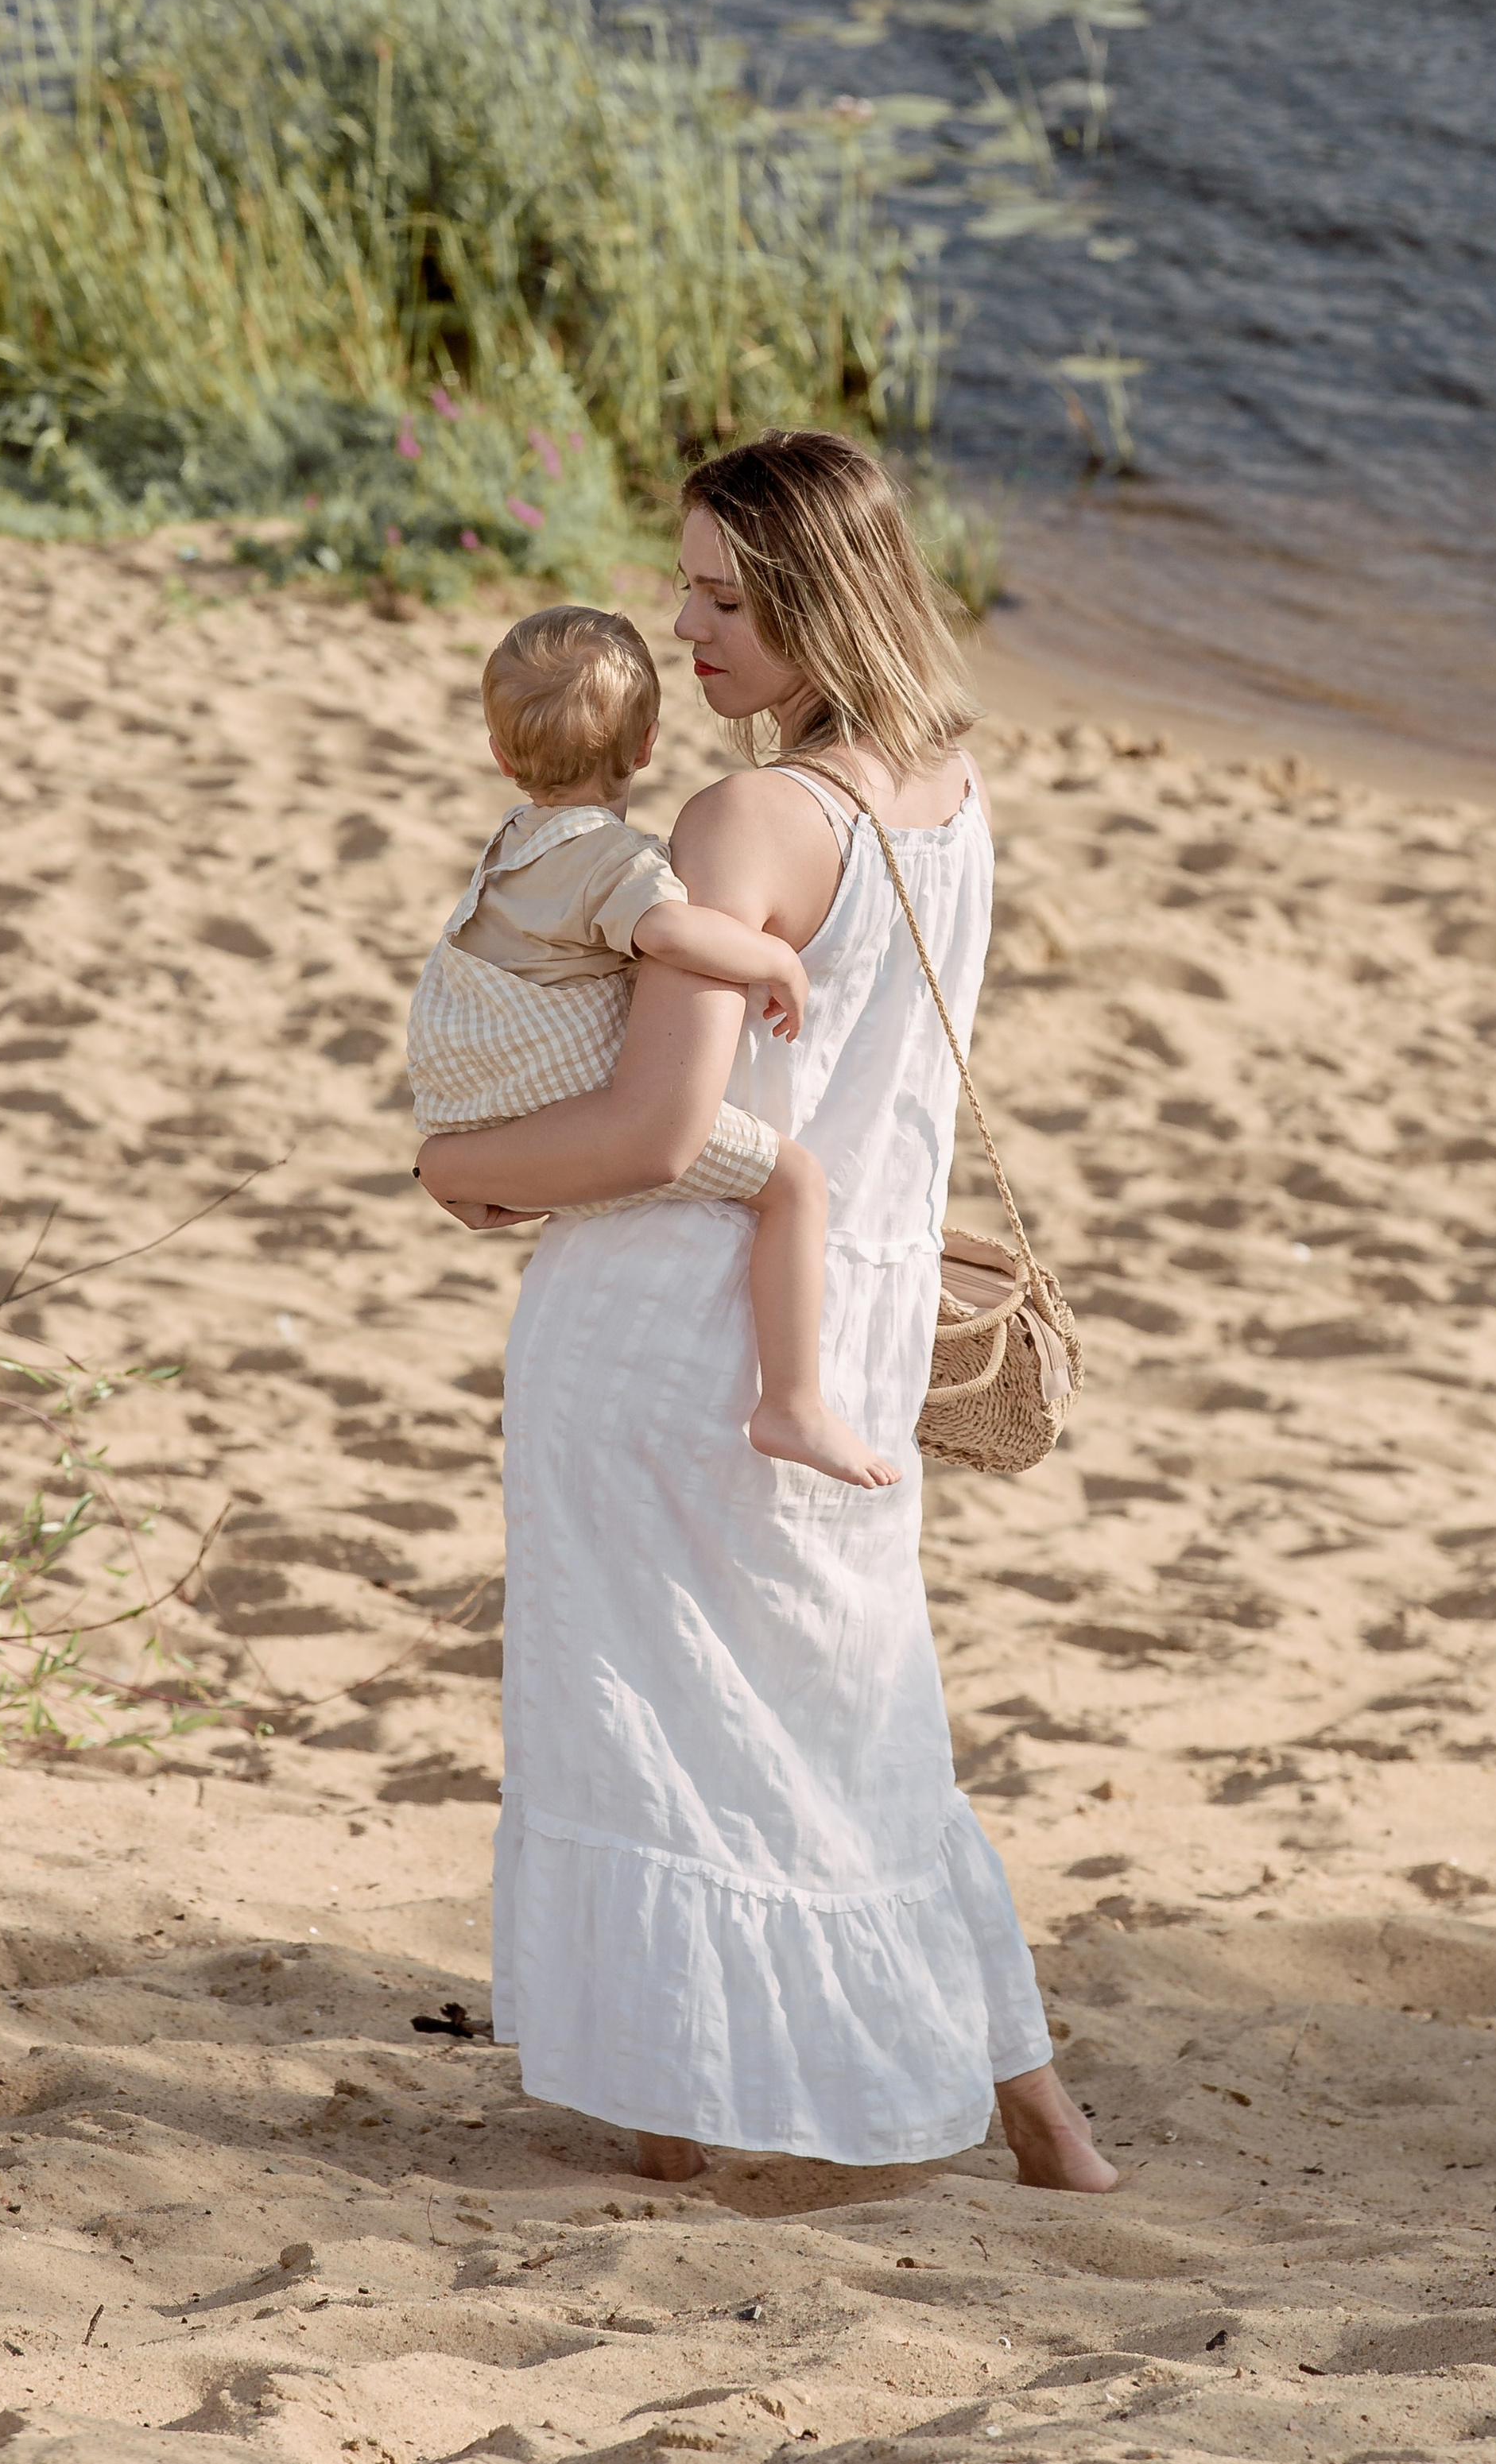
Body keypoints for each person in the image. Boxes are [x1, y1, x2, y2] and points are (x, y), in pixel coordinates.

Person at [417, 431, 1113, 2191]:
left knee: (652, 1727)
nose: (686, 630)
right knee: (863, 1715)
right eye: (685, 590)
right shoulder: (948, 791)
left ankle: (675, 2127)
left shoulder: (742, 819)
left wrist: (457, 1162)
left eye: (726, 600)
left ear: (819, 598)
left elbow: (660, 1131)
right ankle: (1043, 2122)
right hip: (845, 1322)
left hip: (671, 1331)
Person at [408, 605, 894, 1490]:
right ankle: (791, 1402)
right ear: (646, 746)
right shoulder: (614, 860)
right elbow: (668, 931)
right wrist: (771, 958)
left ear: (502, 756)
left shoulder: (515, 844)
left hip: (479, 1090)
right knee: (796, 1183)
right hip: (557, 1089)